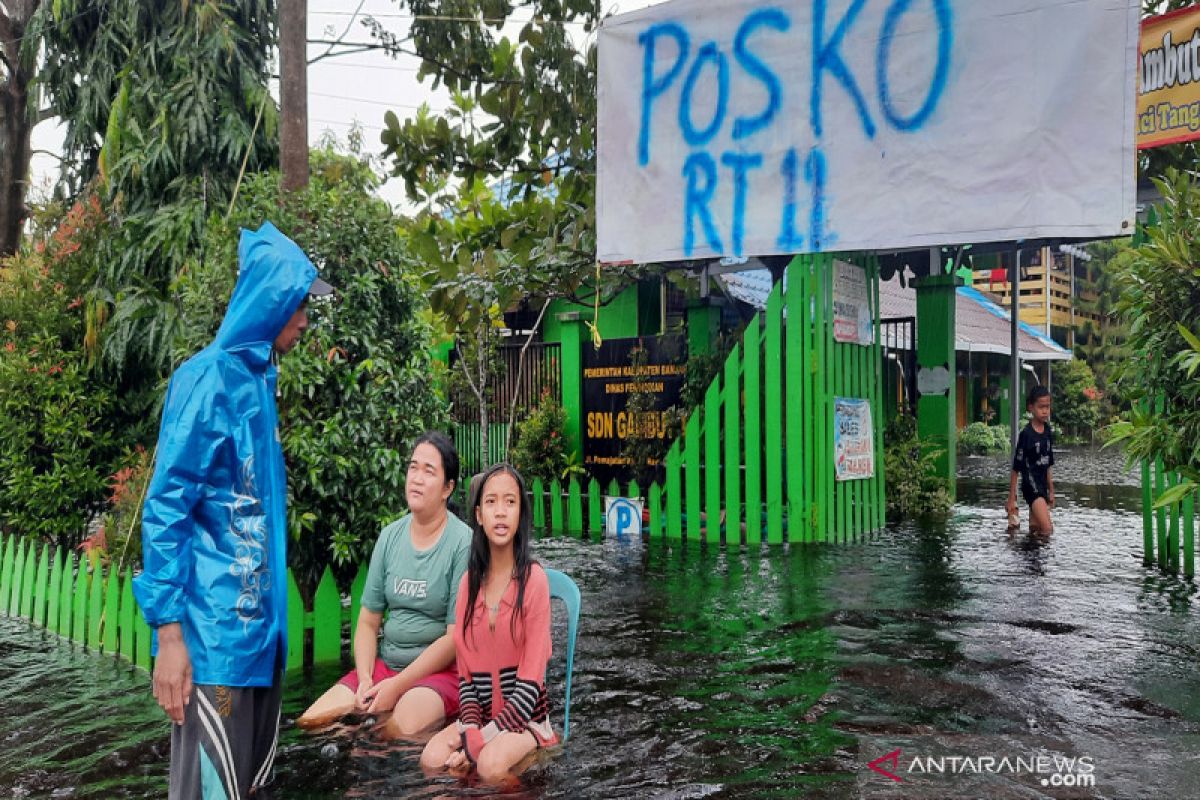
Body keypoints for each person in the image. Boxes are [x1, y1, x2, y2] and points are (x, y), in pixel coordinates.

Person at [133, 221, 333, 799]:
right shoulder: (208, 381)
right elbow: (167, 507)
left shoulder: (258, 383)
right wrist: (169, 638)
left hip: (258, 642)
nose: (304, 320)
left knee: (252, 790)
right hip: (215, 646)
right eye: (299, 305)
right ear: (272, 302)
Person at [297, 431, 471, 737]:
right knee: (313, 724)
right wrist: (365, 677)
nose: (416, 478)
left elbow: (453, 638)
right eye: (413, 468)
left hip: (438, 675)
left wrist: (397, 686)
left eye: (428, 471)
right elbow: (367, 622)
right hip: (384, 667)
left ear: (448, 488)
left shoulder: (462, 543)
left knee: (390, 731)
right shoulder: (390, 537)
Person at [420, 462, 558, 785]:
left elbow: (528, 689)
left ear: (521, 514)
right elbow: (466, 682)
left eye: (510, 502)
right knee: (431, 758)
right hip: (482, 722)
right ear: (479, 515)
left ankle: (527, 779)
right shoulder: (468, 585)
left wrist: (475, 746)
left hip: (527, 723)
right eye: (492, 502)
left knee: (490, 765)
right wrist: (471, 732)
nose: (500, 512)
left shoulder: (534, 581)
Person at [1007, 385, 1055, 535]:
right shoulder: (1026, 434)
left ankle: (1027, 556)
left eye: (1047, 407)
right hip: (1031, 487)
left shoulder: (1047, 431)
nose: (1045, 411)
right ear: (1031, 407)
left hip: (1042, 486)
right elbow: (1016, 467)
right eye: (1041, 407)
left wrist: (1051, 491)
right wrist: (1011, 497)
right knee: (1048, 529)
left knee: (1036, 530)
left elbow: (1048, 464)